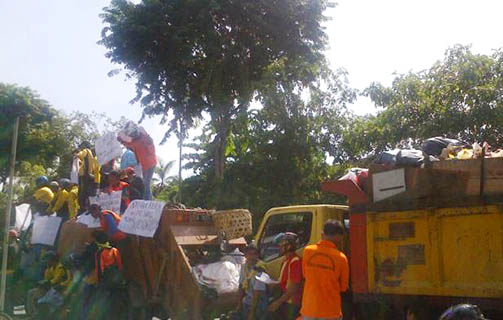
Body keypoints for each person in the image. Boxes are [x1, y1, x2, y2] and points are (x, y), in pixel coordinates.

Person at [300, 220, 349, 320]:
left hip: (309, 309)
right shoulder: (341, 258)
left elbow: (305, 275)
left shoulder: (307, 251)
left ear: (322, 234)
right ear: (340, 237)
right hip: (330, 311)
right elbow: (343, 287)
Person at [117, 121, 157, 200]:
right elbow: (126, 142)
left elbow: (150, 144)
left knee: (146, 184)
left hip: (150, 164)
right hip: (143, 165)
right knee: (144, 184)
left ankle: (148, 202)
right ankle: (147, 200)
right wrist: (120, 138)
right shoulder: (134, 142)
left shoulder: (145, 138)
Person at [267, 232, 302, 320]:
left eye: (281, 245)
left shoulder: (295, 261)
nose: (279, 248)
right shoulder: (286, 261)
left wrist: (278, 302)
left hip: (292, 303)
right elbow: (284, 281)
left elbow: (294, 287)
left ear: (289, 246)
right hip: (285, 301)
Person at [26, 251, 72, 316]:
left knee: (35, 295)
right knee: (30, 292)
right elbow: (47, 278)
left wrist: (45, 284)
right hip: (51, 288)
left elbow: (55, 281)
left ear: (53, 260)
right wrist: (47, 268)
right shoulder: (51, 267)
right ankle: (31, 313)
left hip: (58, 289)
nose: (47, 262)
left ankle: (35, 314)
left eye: (48, 260)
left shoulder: (60, 268)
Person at [234, 244, 270, 320]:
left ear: (258, 255)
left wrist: (252, 314)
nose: (252, 257)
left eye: (255, 254)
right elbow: (241, 285)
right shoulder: (244, 266)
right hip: (247, 301)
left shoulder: (260, 269)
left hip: (258, 304)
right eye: (250, 254)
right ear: (245, 255)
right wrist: (239, 304)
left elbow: (257, 293)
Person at [75, 141, 100, 212]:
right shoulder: (92, 156)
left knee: (82, 194)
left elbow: (81, 155)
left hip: (85, 175)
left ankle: (83, 209)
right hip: (88, 176)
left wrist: (77, 155)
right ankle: (86, 208)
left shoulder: (86, 150)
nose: (81, 148)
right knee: (86, 194)